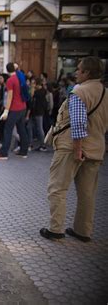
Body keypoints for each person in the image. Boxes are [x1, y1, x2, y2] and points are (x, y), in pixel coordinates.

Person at [40, 56, 108, 242]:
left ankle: (56, 229)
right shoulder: (105, 92)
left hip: (72, 148)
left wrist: (78, 148)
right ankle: (83, 231)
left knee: (57, 188)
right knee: (87, 193)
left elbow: (78, 123)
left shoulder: (79, 92)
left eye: (79, 69)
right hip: (96, 148)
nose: (76, 72)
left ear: (86, 73)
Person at [0, 63, 29, 160]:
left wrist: (6, 110)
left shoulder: (10, 80)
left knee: (7, 130)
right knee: (22, 129)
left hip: (14, 109)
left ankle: (4, 153)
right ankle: (23, 151)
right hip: (23, 107)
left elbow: (10, 97)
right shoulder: (20, 77)